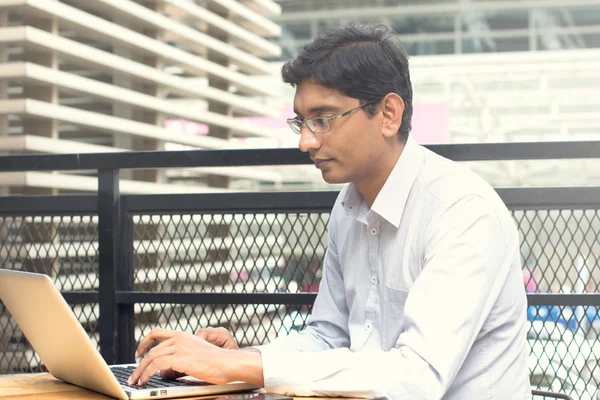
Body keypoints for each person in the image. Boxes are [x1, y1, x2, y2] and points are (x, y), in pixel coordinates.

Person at [128, 24, 531, 399]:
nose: (305, 141)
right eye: (301, 122)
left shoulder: (462, 211)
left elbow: (416, 376)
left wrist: (248, 366)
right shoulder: (349, 203)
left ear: (388, 114)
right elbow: (328, 336)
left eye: (322, 119)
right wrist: (241, 357)